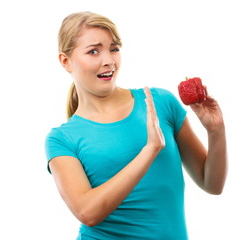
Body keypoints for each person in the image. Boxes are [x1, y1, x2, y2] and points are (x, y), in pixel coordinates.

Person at [45, 11, 227, 240]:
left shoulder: (160, 102)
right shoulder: (62, 139)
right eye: (93, 51)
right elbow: (87, 212)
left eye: (114, 48)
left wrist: (215, 130)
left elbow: (212, 184)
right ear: (65, 61)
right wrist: (149, 150)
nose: (109, 61)